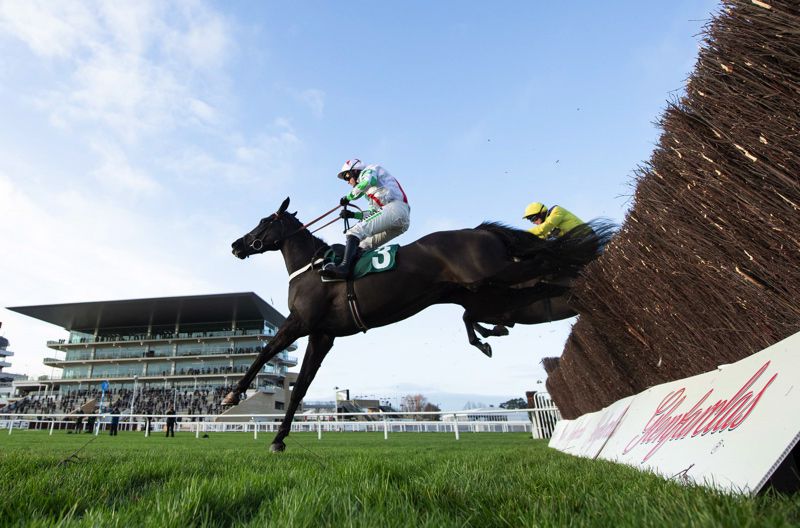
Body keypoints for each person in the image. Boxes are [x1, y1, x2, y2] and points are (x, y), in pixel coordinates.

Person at [320, 158, 411, 280]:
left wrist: (348, 197)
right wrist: (353, 215)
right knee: (362, 245)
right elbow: (374, 213)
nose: (348, 182)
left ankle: (344, 268)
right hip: (398, 222)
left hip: (396, 208)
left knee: (354, 231)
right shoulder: (371, 193)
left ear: (355, 171)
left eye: (347, 177)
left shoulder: (369, 170)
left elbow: (368, 181)